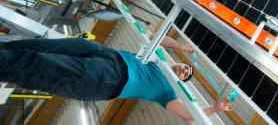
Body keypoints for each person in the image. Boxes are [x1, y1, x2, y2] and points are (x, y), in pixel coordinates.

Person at [0, 36, 231, 123]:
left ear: (181, 82)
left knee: (34, 66)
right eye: (185, 68)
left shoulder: (167, 92)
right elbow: (161, 38)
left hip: (107, 80)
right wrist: (182, 46)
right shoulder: (159, 58)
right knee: (35, 46)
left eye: (185, 76)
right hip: (105, 54)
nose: (183, 71)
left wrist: (215, 107)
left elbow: (189, 116)